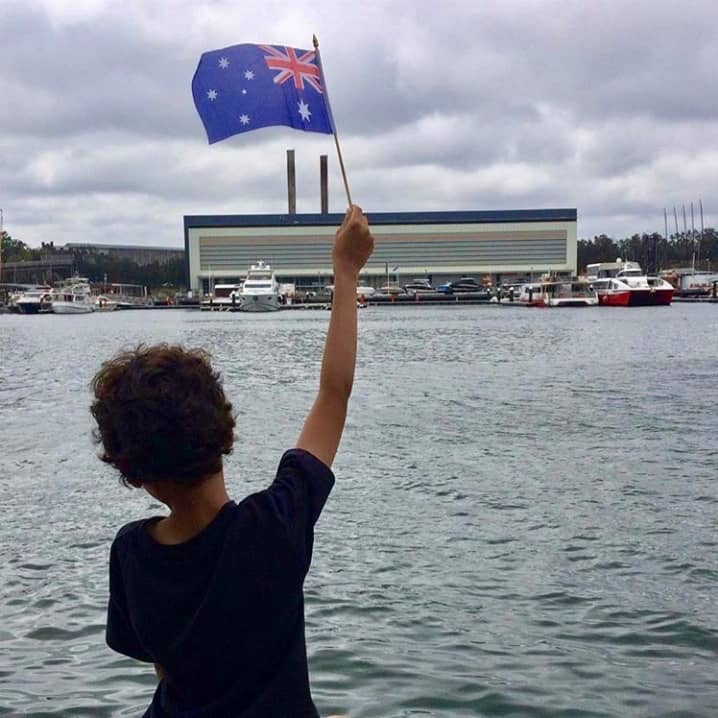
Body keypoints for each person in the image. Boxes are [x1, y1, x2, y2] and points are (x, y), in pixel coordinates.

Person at [90, 206, 374, 717]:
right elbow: (335, 393)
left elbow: (161, 667)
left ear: (132, 473)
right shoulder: (273, 530)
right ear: (225, 431)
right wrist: (346, 269)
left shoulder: (132, 554)